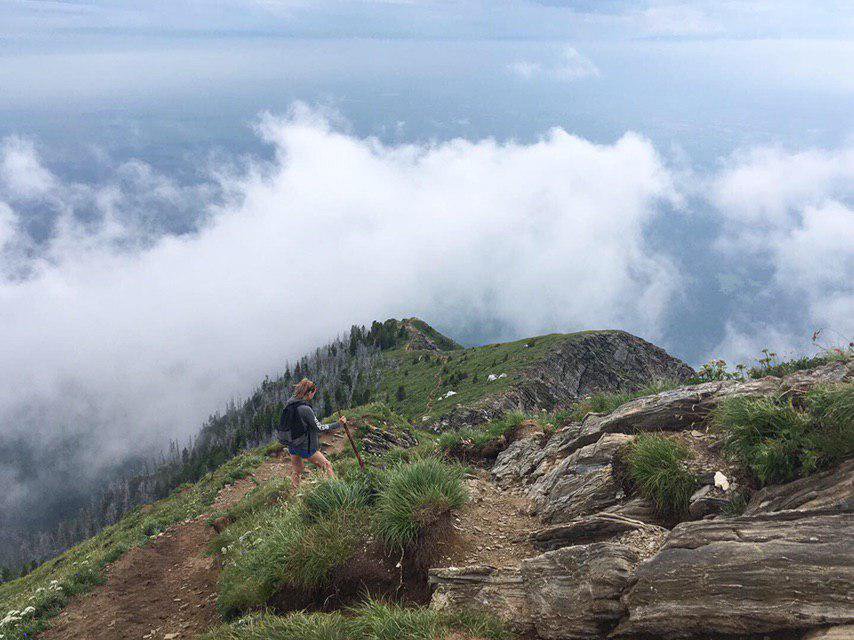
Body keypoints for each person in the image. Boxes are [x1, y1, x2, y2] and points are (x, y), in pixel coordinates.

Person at [278, 378, 346, 490]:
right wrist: (338, 424)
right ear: (309, 392)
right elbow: (319, 428)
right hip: (306, 447)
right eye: (313, 392)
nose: (314, 395)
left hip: (292, 444)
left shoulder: (290, 403)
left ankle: (294, 495)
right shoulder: (305, 409)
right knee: (327, 465)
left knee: (297, 471)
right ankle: (337, 490)